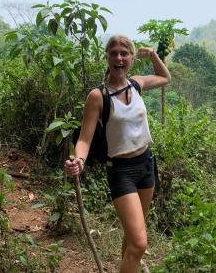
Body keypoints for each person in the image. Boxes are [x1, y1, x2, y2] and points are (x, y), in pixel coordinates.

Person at [64, 35, 170, 273]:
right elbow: (84, 138)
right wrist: (79, 161)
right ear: (107, 58)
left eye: (124, 53)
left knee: (132, 239)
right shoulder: (97, 96)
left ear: (131, 58)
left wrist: (154, 55)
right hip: (122, 172)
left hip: (146, 166)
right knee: (140, 243)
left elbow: (165, 77)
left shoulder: (136, 84)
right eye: (114, 53)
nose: (119, 58)